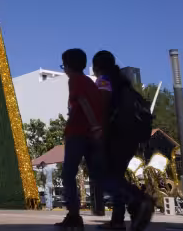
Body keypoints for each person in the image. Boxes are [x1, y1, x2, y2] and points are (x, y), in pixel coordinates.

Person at [92, 50, 154, 231]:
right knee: (116, 175)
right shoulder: (123, 83)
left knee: (104, 176)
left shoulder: (104, 81)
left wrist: (100, 134)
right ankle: (119, 219)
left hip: (116, 134)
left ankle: (139, 201)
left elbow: (103, 108)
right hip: (132, 136)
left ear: (97, 67)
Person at [56, 49, 106, 230]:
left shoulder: (75, 80)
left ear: (68, 65)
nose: (64, 69)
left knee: (68, 174)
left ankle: (74, 215)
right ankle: (101, 207)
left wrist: (94, 125)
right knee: (96, 173)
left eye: (64, 65)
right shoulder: (89, 82)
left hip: (78, 133)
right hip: (91, 135)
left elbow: (83, 101)